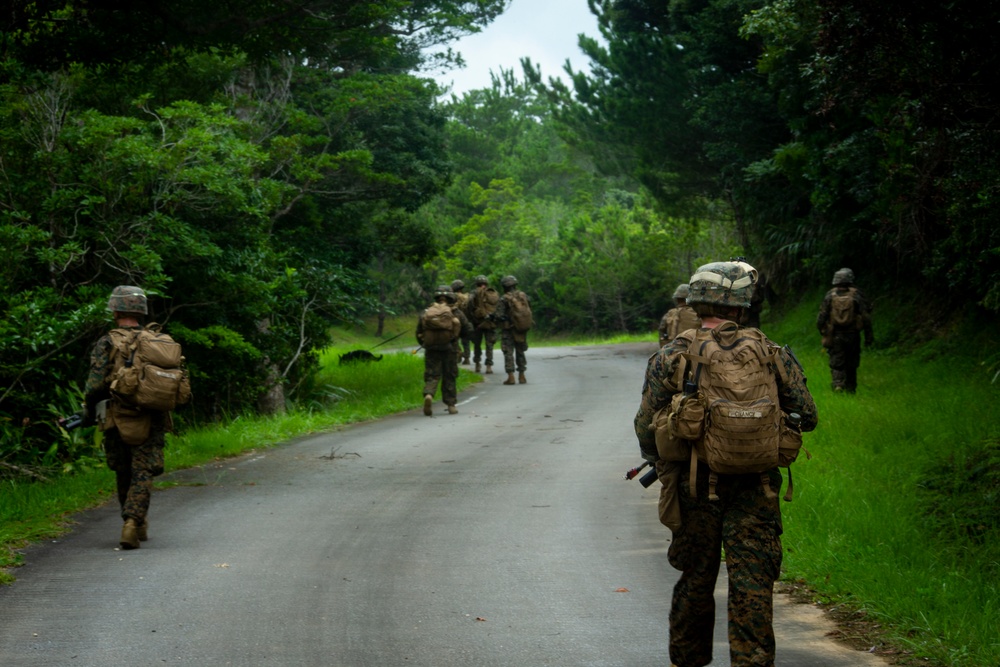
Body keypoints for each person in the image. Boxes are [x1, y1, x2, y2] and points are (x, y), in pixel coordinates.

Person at [634, 261, 818, 667]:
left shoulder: (671, 354)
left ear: (697, 303)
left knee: (696, 580)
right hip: (757, 486)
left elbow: (645, 427)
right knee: (752, 585)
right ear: (742, 305)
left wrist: (664, 457)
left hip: (694, 485)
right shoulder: (770, 352)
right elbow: (807, 413)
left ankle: (688, 660)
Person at [82, 286, 171, 550]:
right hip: (151, 417)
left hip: (116, 417)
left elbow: (94, 387)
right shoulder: (158, 340)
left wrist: (88, 410)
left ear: (116, 310)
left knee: (124, 470)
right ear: (141, 310)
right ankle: (134, 522)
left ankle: (131, 521)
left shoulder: (106, 341)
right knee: (142, 471)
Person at [417, 285, 473, 416]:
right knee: (449, 375)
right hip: (450, 349)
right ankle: (451, 405)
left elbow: (419, 332)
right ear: (451, 296)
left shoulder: (427, 312)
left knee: (432, 375)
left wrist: (426, 344)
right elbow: (468, 330)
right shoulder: (456, 312)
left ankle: (429, 395)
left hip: (431, 349)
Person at [816, 267, 874, 393]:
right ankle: (851, 388)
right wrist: (869, 337)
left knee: (836, 360)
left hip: (835, 334)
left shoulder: (830, 295)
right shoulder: (856, 294)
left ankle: (838, 384)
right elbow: (866, 316)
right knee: (852, 362)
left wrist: (821, 329)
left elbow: (822, 315)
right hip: (853, 334)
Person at [492, 275, 531, 385]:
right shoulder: (524, 296)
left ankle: (511, 377)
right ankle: (522, 376)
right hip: (521, 329)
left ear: (504, 286)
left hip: (508, 329)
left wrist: (495, 317)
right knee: (520, 351)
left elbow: (499, 315)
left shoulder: (504, 298)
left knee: (508, 352)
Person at [466, 275, 498, 374]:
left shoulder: (474, 292)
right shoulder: (492, 292)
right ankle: (489, 366)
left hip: (478, 323)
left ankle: (477, 364)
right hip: (490, 322)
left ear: (477, 283)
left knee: (477, 344)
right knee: (489, 345)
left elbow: (469, 305)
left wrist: (472, 317)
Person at [451, 279, 473, 365]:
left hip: (456, 320)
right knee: (466, 341)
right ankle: (467, 358)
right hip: (466, 321)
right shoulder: (467, 296)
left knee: (454, 338)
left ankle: (458, 353)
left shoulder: (453, 297)